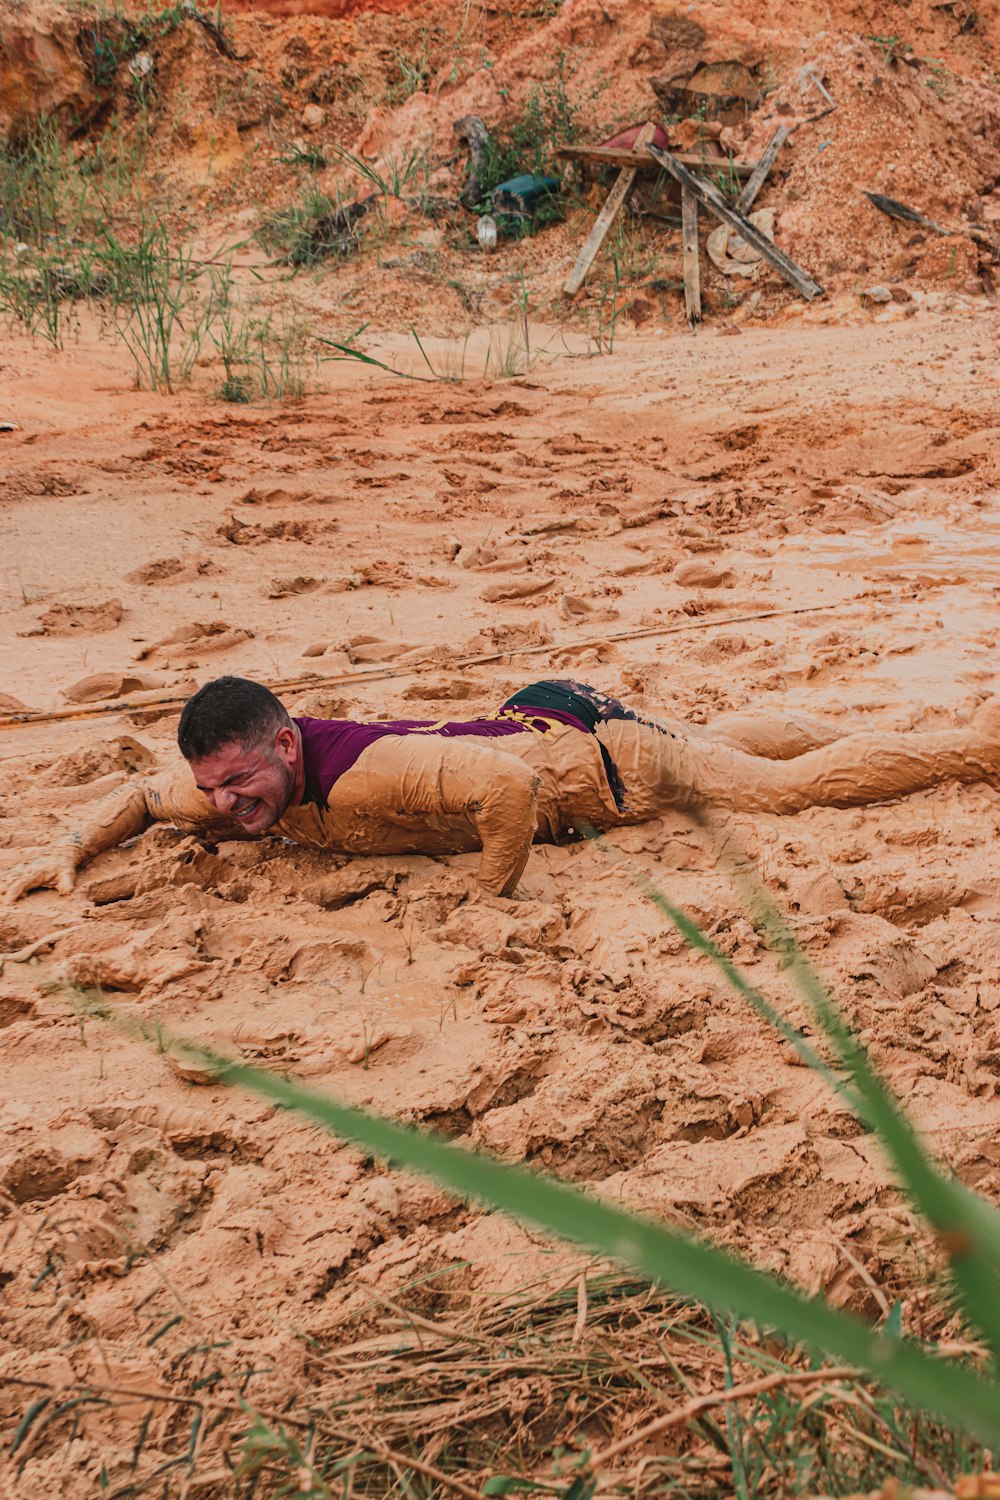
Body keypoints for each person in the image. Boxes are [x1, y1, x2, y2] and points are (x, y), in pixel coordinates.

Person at [7, 676, 1000, 901]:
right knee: (735, 740)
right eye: (214, 792)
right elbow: (143, 797)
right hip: (564, 719)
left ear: (284, 742)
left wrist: (490, 897)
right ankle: (939, 734)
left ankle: (975, 751)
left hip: (608, 773)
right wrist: (70, 846)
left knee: (776, 789)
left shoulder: (365, 774)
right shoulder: (235, 788)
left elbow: (509, 788)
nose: (228, 807)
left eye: (240, 784)